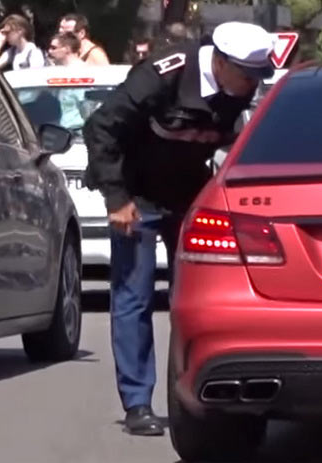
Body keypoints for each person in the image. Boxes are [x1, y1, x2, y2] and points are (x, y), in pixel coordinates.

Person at [83, 21, 275, 436]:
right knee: (134, 297)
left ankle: (194, 392)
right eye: (245, 76)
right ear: (220, 62)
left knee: (196, 295)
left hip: (189, 195)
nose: (248, 87)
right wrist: (117, 199)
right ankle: (137, 403)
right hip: (137, 195)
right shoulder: (163, 74)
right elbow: (101, 128)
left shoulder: (236, 92)